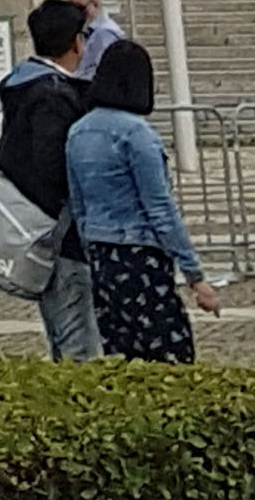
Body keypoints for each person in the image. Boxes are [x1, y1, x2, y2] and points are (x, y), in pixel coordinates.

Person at [64, 40, 218, 360]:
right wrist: (194, 275)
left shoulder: (78, 132)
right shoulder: (137, 135)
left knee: (120, 349)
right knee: (168, 349)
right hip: (140, 252)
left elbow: (78, 202)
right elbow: (160, 209)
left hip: (100, 251)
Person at [0, 0, 102, 361]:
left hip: (38, 227)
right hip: (60, 233)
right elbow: (52, 166)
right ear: (75, 42)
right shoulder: (52, 95)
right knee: (77, 341)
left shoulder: (24, 85)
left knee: (64, 332)